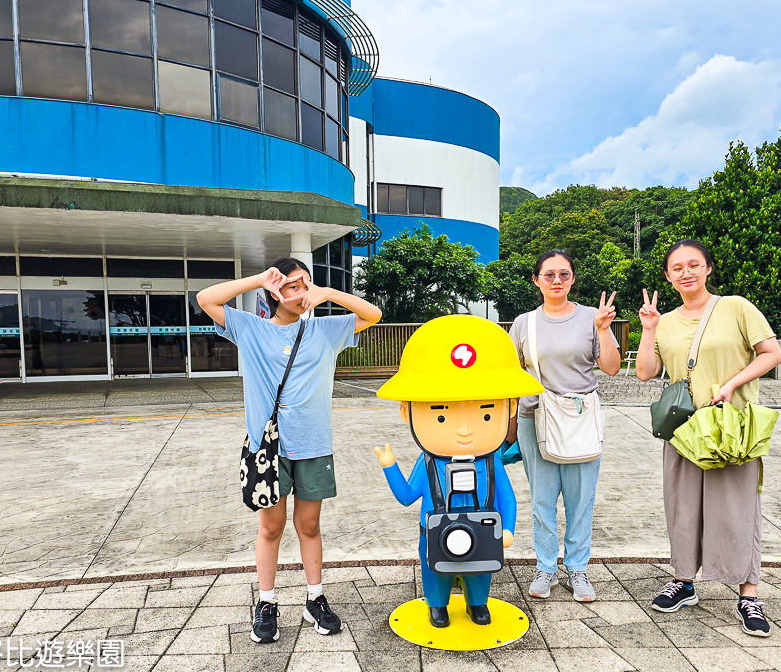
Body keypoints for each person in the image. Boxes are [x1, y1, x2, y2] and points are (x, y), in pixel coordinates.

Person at [197, 258, 381, 644]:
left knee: (309, 526)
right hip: (268, 447)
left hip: (314, 444)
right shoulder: (251, 329)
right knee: (271, 527)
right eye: (292, 286)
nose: (302, 292)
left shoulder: (325, 331)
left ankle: (315, 598)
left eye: (306, 284)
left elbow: (373, 314)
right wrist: (258, 279)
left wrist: (327, 292)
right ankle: (266, 602)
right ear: (274, 294)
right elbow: (206, 299)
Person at [635, 238, 781, 637]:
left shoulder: (735, 307)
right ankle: (684, 582)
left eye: (693, 265)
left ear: (708, 269)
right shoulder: (664, 321)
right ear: (668, 276)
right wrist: (649, 329)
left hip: (729, 427)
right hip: (684, 429)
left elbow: (772, 353)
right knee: (682, 509)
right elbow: (645, 372)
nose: (686, 273)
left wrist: (732, 384)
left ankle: (748, 594)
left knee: (737, 510)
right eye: (677, 268)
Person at [373, 315, 542, 628]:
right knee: (434, 569)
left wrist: (507, 529)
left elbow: (507, 498)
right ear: (407, 411)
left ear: (510, 407)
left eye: (486, 414)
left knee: (480, 569)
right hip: (435, 532)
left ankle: (477, 603)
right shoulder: (429, 463)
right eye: (441, 416)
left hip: (483, 530)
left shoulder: (490, 463)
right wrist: (390, 467)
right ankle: (437, 605)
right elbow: (407, 496)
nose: (464, 429)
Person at [508, 249, 621, 602]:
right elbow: (511, 375)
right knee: (542, 500)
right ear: (536, 280)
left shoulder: (591, 317)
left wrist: (603, 329)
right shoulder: (524, 323)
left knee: (580, 499)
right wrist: (507, 426)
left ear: (572, 279)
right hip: (534, 418)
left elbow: (612, 367)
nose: (556, 280)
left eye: (564, 274)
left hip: (580, 419)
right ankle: (546, 567)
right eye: (549, 275)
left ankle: (577, 568)